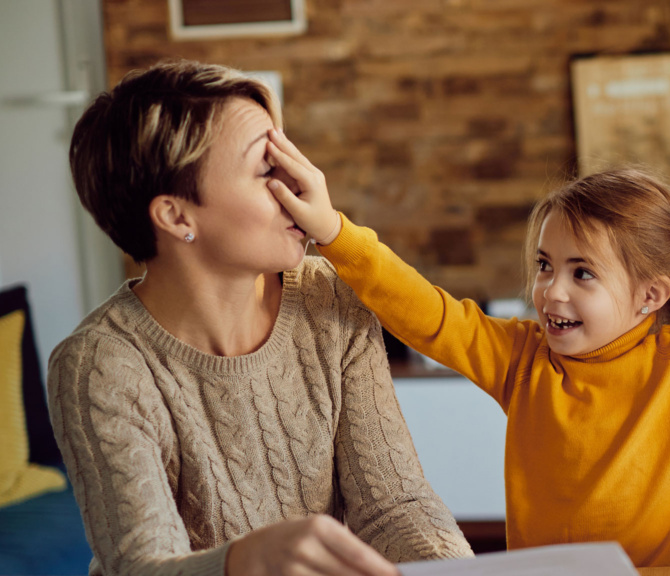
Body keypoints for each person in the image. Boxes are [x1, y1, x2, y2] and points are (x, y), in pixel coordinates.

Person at [258, 80, 670, 564]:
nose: (549, 291)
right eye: (544, 265)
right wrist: (334, 232)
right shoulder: (520, 358)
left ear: (649, 296)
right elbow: (427, 313)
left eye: (581, 273)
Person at [49, 60, 472, 576]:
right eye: (267, 168)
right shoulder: (97, 366)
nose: (304, 184)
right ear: (177, 217)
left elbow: (395, 507)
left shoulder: (330, 297)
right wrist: (239, 563)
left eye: (289, 155)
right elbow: (142, 566)